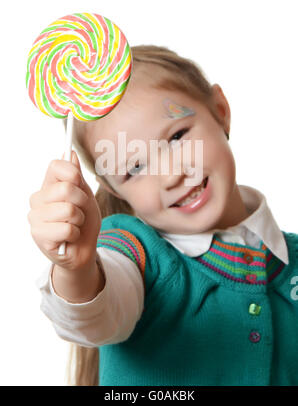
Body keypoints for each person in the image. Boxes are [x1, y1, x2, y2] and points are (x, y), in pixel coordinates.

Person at [28, 45, 298, 386]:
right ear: (113, 189)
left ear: (220, 110)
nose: (171, 176)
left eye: (177, 137)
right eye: (135, 168)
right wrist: (77, 268)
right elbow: (96, 313)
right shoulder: (133, 252)